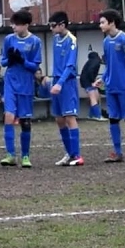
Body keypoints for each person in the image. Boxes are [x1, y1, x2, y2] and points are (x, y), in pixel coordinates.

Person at [94, 9, 125, 162]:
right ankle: (117, 152)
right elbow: (109, 64)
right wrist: (102, 78)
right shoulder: (105, 41)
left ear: (112, 23)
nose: (100, 25)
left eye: (102, 22)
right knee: (113, 119)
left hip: (124, 86)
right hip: (111, 87)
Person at [0, 10, 43, 167]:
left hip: (25, 84)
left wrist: (22, 60)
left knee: (25, 121)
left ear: (26, 25)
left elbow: (35, 67)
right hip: (10, 81)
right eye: (12, 24)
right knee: (9, 117)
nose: (13, 27)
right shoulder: (8, 39)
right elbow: (3, 62)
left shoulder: (35, 41)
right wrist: (10, 60)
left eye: (17, 24)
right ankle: (10, 155)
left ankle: (25, 156)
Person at [48, 12, 84, 166]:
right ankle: (69, 153)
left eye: (53, 25)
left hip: (66, 83)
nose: (51, 29)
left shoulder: (72, 40)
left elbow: (70, 65)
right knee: (59, 119)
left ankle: (77, 156)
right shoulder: (55, 39)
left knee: (70, 117)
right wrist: (52, 80)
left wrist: (60, 83)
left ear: (62, 24)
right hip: (56, 81)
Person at [80, 49, 104, 120]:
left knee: (95, 97)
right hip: (88, 82)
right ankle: (98, 116)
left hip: (85, 81)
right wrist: (93, 81)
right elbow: (91, 71)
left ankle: (91, 115)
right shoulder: (96, 62)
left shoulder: (90, 62)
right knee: (94, 98)